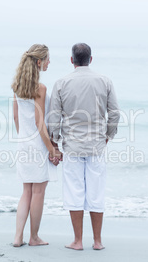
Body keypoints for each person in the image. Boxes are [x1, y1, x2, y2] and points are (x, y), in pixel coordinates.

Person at [48, 43, 120, 250]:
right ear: (91, 59)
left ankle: (78, 241)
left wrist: (55, 142)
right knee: (96, 192)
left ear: (72, 60)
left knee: (74, 192)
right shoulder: (104, 81)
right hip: (96, 146)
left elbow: (54, 117)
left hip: (72, 146)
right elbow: (114, 113)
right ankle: (97, 242)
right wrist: (108, 135)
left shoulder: (62, 83)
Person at [12, 44, 62, 247]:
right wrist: (51, 148)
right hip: (38, 146)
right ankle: (33, 237)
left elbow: (16, 118)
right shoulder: (39, 88)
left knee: (26, 192)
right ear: (39, 62)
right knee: (38, 192)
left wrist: (24, 139)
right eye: (48, 59)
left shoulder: (17, 87)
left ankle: (17, 237)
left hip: (23, 144)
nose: (50, 62)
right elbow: (39, 122)